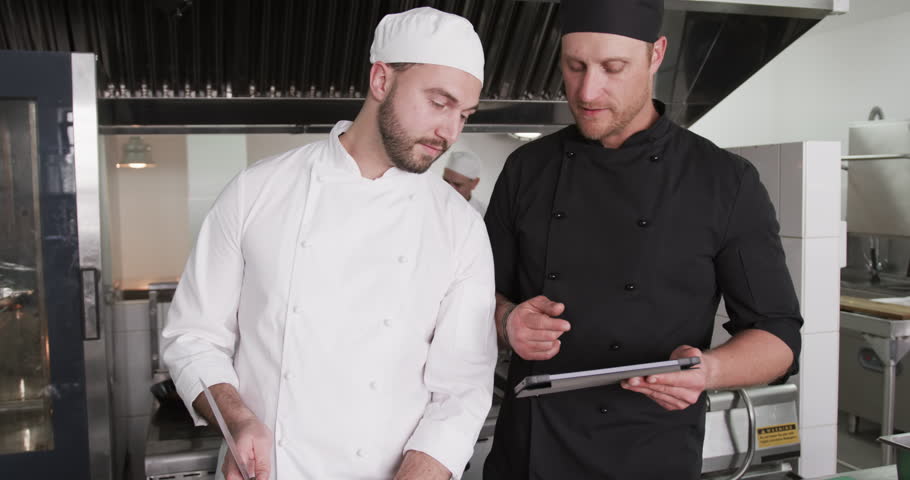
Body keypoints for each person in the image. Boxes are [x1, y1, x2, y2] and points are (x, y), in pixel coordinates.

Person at [161, 7, 497, 480]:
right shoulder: (258, 192)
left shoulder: (460, 227)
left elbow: (463, 387)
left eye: (464, 114)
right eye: (439, 103)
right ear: (381, 80)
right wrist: (236, 421)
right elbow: (193, 338)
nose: (450, 131)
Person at [482, 0, 803, 478]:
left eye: (613, 68)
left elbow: (779, 336)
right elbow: (472, 295)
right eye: (575, 66)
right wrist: (508, 320)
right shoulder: (527, 169)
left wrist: (710, 371)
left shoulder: (724, 180)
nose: (588, 90)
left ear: (656, 55)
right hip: (530, 450)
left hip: (652, 453)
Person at [443, 150, 486, 215]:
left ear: (475, 183)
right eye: (446, 181)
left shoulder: (483, 214)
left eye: (457, 185)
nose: (449, 188)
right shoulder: (429, 199)